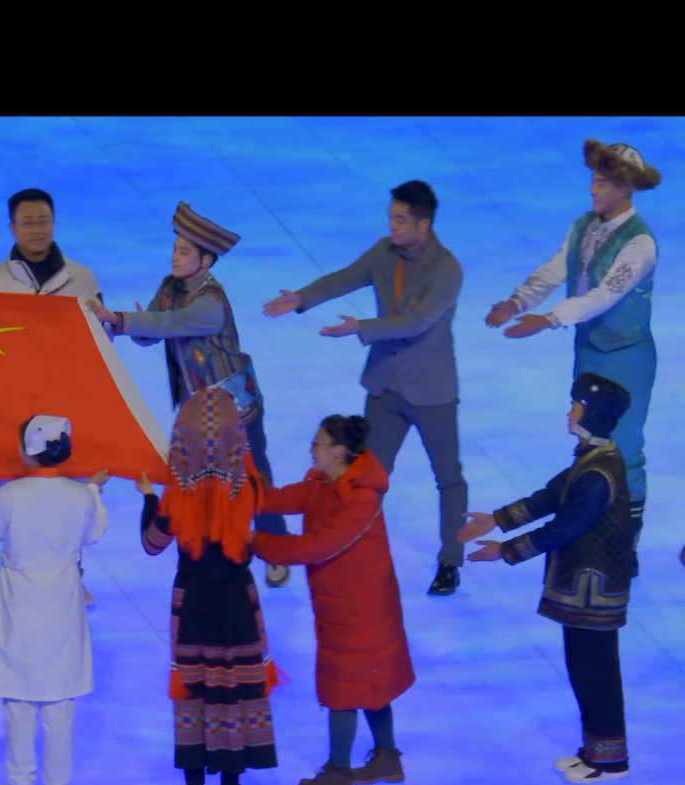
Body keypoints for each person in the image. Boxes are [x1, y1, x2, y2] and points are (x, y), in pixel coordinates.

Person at [262, 181, 468, 598]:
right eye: (391, 217)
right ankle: (349, 546)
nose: (392, 226)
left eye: (400, 220)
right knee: (363, 475)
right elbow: (346, 278)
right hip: (386, 384)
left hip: (432, 390)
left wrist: (361, 327)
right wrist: (303, 298)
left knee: (448, 477)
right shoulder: (383, 252)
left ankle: (450, 560)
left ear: (424, 224)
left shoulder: (447, 270)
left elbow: (417, 322)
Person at [89, 204, 292, 585]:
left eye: (184, 252)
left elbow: (173, 322)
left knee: (254, 480)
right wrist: (126, 327)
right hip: (198, 412)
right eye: (175, 249)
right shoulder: (170, 287)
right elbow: (154, 330)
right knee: (200, 482)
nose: (174, 257)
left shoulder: (211, 302)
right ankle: (207, 547)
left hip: (236, 407)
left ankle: (275, 547)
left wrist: (123, 319)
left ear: (206, 260)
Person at [487, 141, 661, 570]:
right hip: (589, 350)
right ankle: (590, 529)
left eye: (601, 183)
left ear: (625, 188)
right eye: (593, 181)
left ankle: (624, 546)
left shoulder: (639, 243)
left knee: (624, 448)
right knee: (588, 440)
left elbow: (604, 295)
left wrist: (549, 319)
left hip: (626, 357)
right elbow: (556, 269)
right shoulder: (584, 225)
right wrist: (518, 301)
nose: (592, 190)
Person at [459, 375, 636, 785]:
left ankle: (611, 760)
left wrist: (507, 550)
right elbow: (552, 495)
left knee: (597, 674)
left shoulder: (599, 473)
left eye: (576, 406)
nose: (569, 412)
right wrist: (498, 519)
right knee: (583, 670)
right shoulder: (593, 459)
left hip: (594, 590)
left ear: (593, 414)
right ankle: (595, 751)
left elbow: (563, 526)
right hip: (584, 589)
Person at [251, 417, 414, 785]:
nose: (312, 449)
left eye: (318, 443)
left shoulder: (361, 499)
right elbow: (281, 499)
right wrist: (242, 488)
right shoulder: (325, 483)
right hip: (347, 603)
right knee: (370, 682)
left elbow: (315, 546)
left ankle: (338, 772)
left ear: (338, 451)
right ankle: (387, 758)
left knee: (345, 688)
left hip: (360, 609)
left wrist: (254, 542)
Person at [0, 416, 107, 785]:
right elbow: (93, 534)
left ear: (27, 450)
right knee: (60, 701)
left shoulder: (11, 494)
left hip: (18, 604)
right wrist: (94, 490)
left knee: (18, 698)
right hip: (62, 604)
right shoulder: (78, 496)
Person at [138, 387, 281, 785]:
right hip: (237, 597)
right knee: (233, 682)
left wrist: (149, 498)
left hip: (193, 601)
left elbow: (152, 544)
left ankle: (195, 784)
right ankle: (232, 782)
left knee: (194, 686)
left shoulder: (178, 492)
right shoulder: (249, 484)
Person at [0, 188, 104, 303]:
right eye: (27, 223)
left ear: (53, 224)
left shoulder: (82, 276)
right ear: (12, 228)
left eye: (43, 222)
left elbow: (98, 322)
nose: (36, 230)